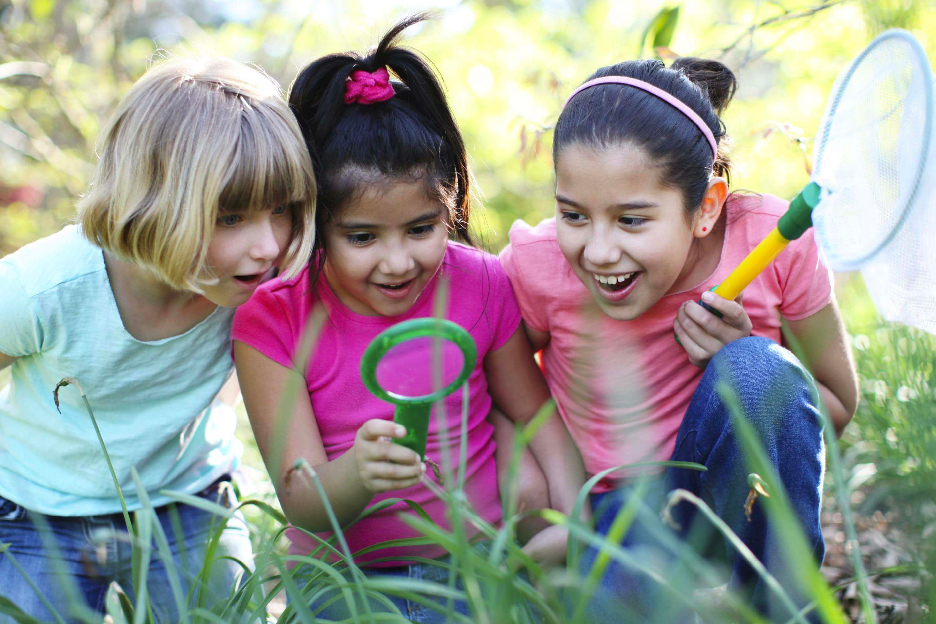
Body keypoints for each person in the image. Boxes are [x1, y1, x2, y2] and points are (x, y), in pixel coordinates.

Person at [232, 14, 586, 623]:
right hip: (345, 580)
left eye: (421, 229)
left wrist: (576, 522)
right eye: (362, 237)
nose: (397, 262)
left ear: (449, 208)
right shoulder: (273, 318)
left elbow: (535, 416)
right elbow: (300, 500)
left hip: (479, 562)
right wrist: (358, 472)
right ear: (316, 223)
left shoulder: (480, 283)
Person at [499, 57, 859, 622]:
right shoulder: (538, 265)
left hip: (735, 500)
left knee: (756, 369)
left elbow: (834, 407)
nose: (598, 251)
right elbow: (492, 390)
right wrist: (545, 500)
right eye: (573, 215)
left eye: (631, 220)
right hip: (610, 512)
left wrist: (745, 358)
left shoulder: (775, 243)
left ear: (706, 207)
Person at [0, 57, 316, 623]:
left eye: (281, 210)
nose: (269, 245)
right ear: (152, 202)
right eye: (230, 217)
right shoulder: (44, 289)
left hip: (188, 500)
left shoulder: (257, 285)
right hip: (36, 512)